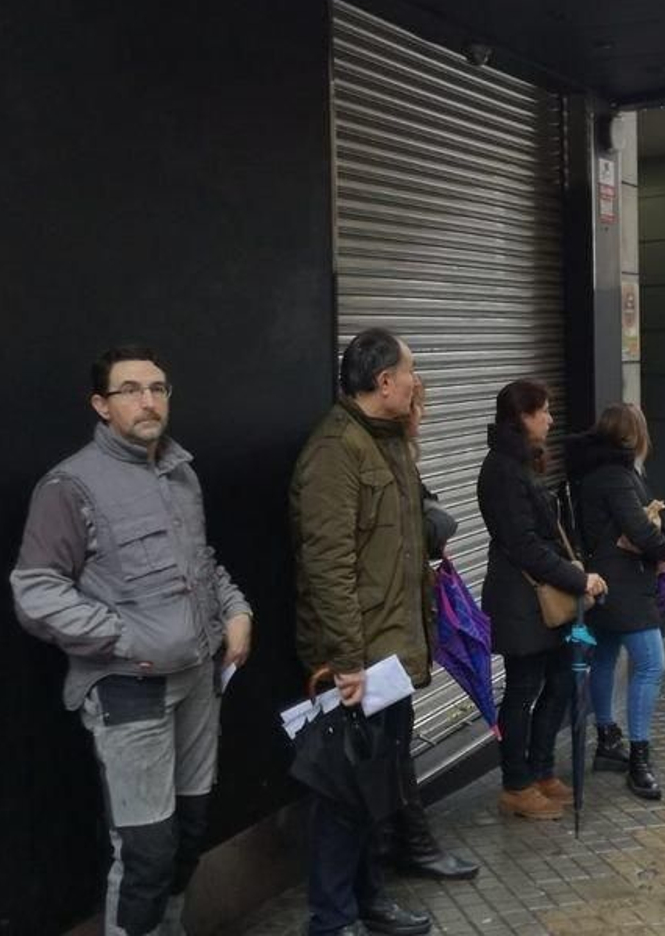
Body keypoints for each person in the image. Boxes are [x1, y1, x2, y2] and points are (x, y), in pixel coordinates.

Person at [11, 345, 253, 936]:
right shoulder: (70, 486)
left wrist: (235, 609)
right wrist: (124, 637)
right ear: (101, 405)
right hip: (129, 690)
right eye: (131, 390)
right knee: (146, 851)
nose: (149, 401)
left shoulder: (180, 473)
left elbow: (202, 562)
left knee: (191, 832)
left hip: (198, 679)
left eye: (159, 388)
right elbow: (35, 591)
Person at [291, 327, 436, 936]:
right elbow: (327, 566)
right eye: (410, 371)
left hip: (391, 655)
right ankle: (333, 918)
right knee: (344, 796)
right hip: (359, 661)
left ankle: (369, 898)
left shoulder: (389, 444)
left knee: (374, 788)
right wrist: (348, 660)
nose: (415, 382)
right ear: (383, 383)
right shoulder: (336, 451)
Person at [479, 379, 608, 821]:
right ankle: (516, 784)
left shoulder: (521, 463)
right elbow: (524, 544)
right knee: (522, 692)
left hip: (542, 599)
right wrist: (577, 578)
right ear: (523, 416)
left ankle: (540, 771)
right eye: (545, 411)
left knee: (557, 684)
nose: (551, 419)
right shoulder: (502, 469)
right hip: (521, 601)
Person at [376, 381, 479, 883]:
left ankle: (408, 843)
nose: (423, 415)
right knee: (387, 744)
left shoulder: (398, 458)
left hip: (400, 624)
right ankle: (405, 847)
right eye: (419, 404)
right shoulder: (372, 457)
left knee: (396, 738)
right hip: (380, 633)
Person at [569, 404, 665, 801]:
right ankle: (639, 758)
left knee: (604, 658)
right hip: (625, 584)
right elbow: (639, 528)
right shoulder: (617, 476)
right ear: (635, 435)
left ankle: (608, 740)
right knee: (651, 664)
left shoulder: (592, 472)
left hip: (603, 581)